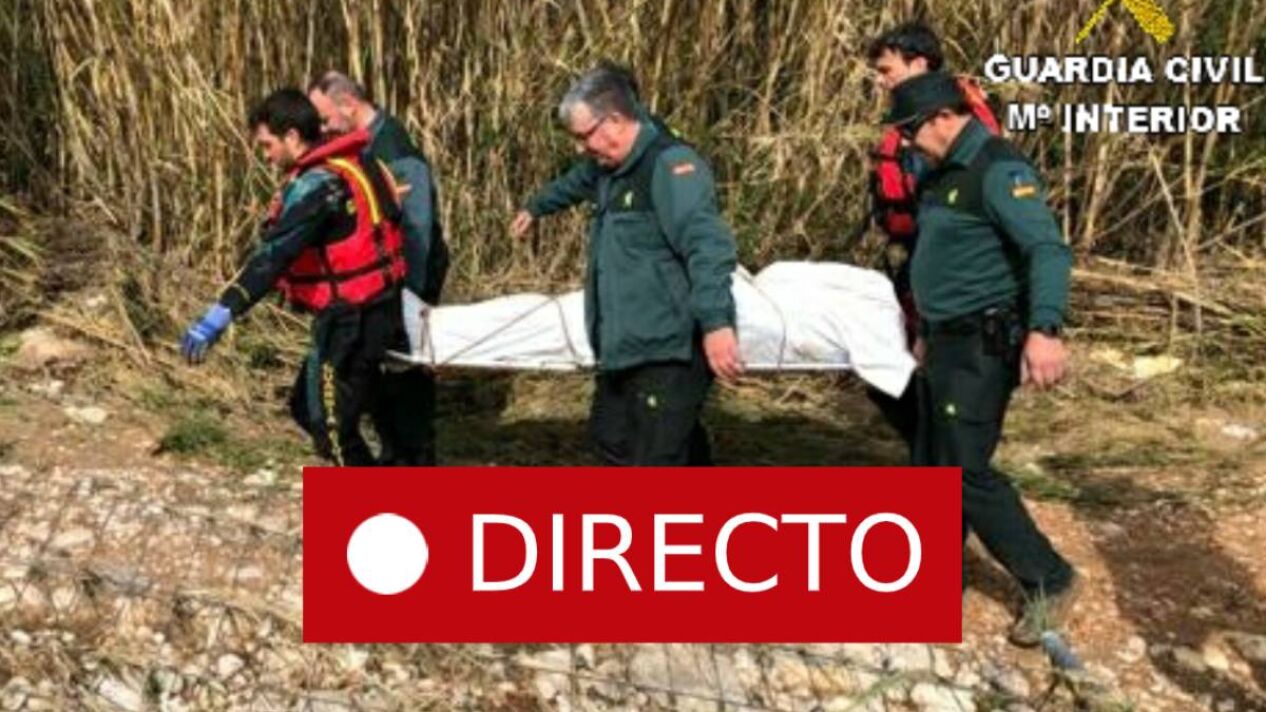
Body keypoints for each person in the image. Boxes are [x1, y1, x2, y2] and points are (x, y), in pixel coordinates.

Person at [886, 71, 1079, 646]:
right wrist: (926, 329)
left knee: (963, 468)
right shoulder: (942, 173)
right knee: (930, 460)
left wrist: (1045, 329)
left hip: (983, 343)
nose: (907, 142)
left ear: (945, 117)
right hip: (946, 339)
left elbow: (1047, 249)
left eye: (911, 130)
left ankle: (1049, 577)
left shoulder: (997, 170)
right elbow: (943, 256)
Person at [513, 65, 741, 465]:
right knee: (611, 440)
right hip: (624, 346)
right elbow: (572, 183)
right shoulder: (606, 167)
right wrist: (535, 207)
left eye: (584, 136)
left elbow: (707, 245)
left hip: (668, 349)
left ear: (615, 120)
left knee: (652, 457)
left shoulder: (670, 166)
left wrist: (716, 323)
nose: (581, 148)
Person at [181, 88, 411, 467]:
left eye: (268, 145)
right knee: (305, 407)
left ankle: (387, 498)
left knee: (332, 430)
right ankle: (399, 465)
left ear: (291, 136)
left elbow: (274, 257)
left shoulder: (320, 187)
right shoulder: (356, 161)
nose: (265, 156)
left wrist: (223, 312)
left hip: (353, 319)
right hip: (376, 307)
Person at [862, 23, 999, 454]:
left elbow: (949, 206)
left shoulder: (941, 125)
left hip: (947, 272)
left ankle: (949, 462)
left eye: (887, 69)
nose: (880, 80)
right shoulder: (913, 123)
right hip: (917, 262)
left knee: (916, 375)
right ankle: (938, 455)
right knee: (891, 373)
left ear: (919, 64)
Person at [308, 72, 449, 466]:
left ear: (348, 105)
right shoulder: (361, 148)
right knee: (381, 371)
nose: (323, 130)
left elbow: (416, 233)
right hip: (382, 283)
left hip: (408, 280)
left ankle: (414, 459)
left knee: (406, 373)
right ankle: (394, 452)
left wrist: (409, 302)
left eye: (326, 119)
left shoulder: (396, 153)